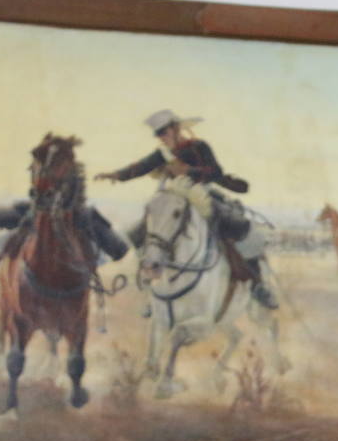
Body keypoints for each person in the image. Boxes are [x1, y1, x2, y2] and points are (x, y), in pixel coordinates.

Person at [95, 109, 276, 309]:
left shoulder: (199, 147)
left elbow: (215, 172)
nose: (161, 138)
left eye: (164, 132)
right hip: (172, 201)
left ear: (175, 129)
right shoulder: (162, 154)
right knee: (140, 232)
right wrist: (115, 175)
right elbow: (140, 167)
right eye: (158, 134)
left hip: (201, 197)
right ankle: (150, 287)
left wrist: (188, 171)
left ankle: (258, 286)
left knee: (240, 227)